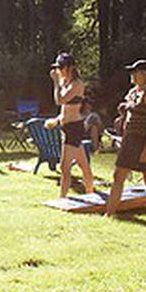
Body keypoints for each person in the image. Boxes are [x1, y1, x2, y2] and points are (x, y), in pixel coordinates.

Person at [106, 59, 146, 218]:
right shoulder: (132, 92)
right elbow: (127, 116)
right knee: (118, 176)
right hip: (130, 139)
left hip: (144, 140)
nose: (132, 75)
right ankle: (109, 214)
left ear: (145, 75)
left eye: (136, 72)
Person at [44, 52, 95, 197]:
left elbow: (60, 100)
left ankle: (62, 198)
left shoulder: (77, 84)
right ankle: (91, 192)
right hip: (67, 127)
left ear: (69, 68)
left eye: (61, 68)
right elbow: (65, 110)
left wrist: (55, 83)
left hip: (74, 128)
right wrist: (56, 120)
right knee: (83, 165)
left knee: (64, 166)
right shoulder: (66, 83)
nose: (58, 71)